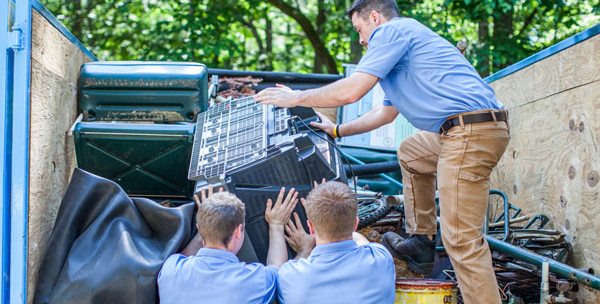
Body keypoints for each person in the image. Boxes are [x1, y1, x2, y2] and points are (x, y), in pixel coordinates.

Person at [254, 0, 510, 303]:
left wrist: (296, 97)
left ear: (374, 17)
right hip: (466, 130)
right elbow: (385, 115)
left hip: (469, 133)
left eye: (359, 29)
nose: (361, 40)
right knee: (411, 152)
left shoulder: (393, 32)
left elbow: (352, 90)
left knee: (461, 241)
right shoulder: (401, 53)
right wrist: (336, 131)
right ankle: (422, 240)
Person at [157, 186, 298, 304]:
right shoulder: (252, 282)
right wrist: (277, 224)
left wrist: (208, 221)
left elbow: (183, 257)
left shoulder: (170, 270)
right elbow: (278, 271)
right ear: (238, 232)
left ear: (198, 227)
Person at [277, 181, 396, 304]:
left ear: (310, 227)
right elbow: (360, 240)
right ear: (355, 224)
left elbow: (276, 274)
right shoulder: (381, 258)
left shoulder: (290, 277)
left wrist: (304, 249)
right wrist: (334, 215)